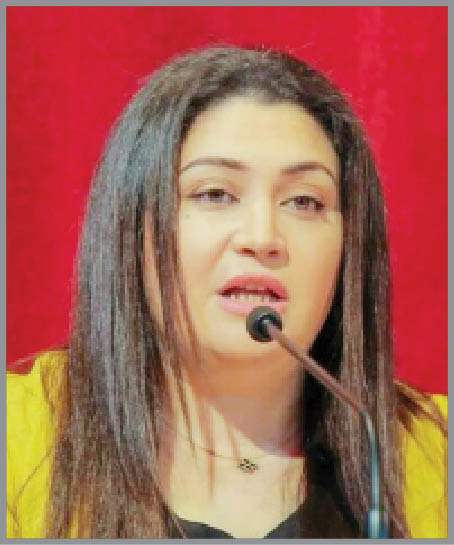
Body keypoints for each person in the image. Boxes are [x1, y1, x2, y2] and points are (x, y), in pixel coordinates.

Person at [7, 45, 447, 539]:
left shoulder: (433, 455)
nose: (262, 237)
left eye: (304, 201)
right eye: (215, 194)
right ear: (133, 229)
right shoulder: (19, 440)